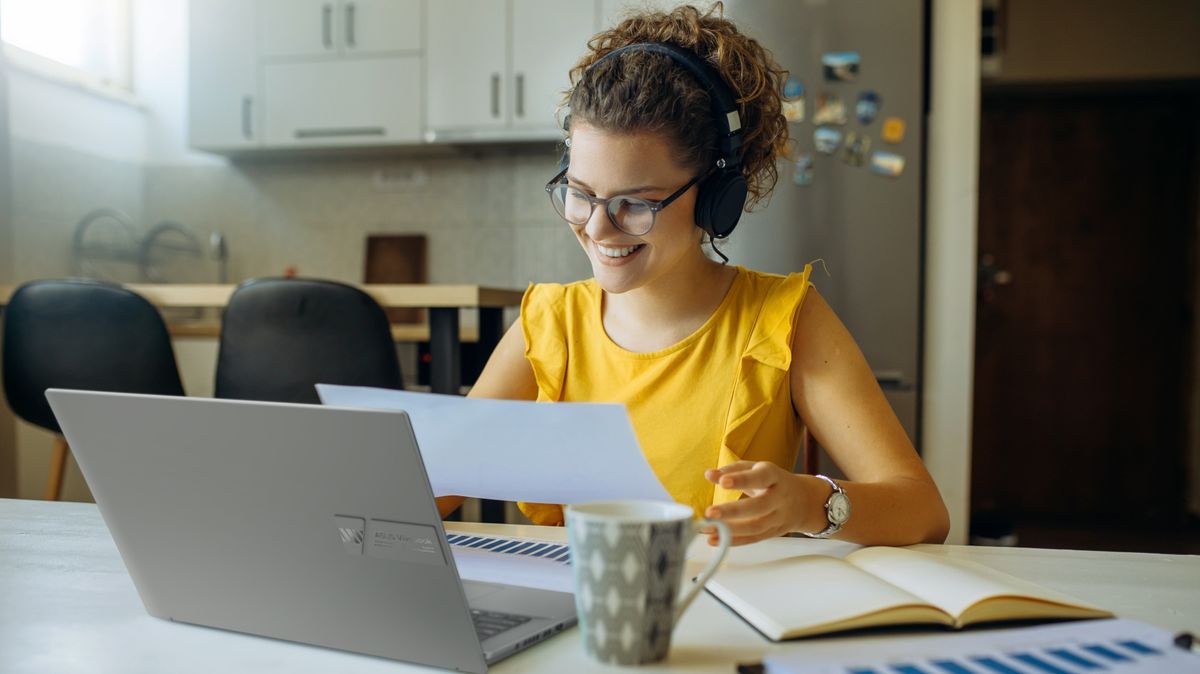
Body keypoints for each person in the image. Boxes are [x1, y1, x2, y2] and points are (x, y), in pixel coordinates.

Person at [437, 3, 949, 547]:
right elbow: (434, 489)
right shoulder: (549, 323)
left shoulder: (783, 320)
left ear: (715, 200)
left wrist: (809, 502)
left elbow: (923, 511)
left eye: (636, 204)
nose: (599, 228)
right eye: (581, 194)